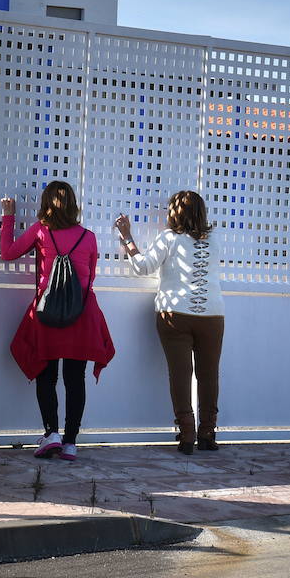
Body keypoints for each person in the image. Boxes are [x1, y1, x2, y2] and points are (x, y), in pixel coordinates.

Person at [0, 181, 115, 461]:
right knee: (75, 379)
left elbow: (8, 253)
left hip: (48, 312)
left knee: (46, 375)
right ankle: (71, 442)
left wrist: (8, 217)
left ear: (47, 203)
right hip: (83, 314)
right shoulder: (88, 236)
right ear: (74, 204)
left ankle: (51, 434)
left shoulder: (41, 231)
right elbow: (91, 276)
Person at [115, 191, 226, 455]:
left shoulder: (169, 238)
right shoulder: (214, 240)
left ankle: (187, 433)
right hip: (212, 315)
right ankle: (208, 433)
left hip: (174, 314)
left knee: (181, 375)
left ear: (174, 212)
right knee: (208, 375)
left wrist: (128, 238)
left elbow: (142, 267)